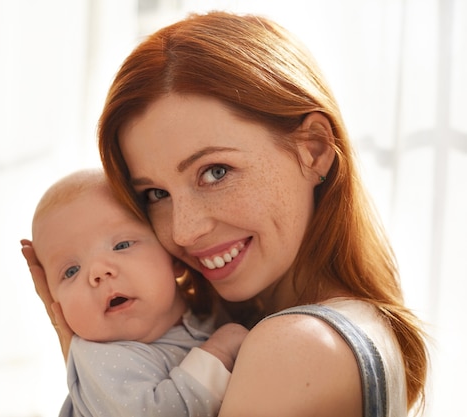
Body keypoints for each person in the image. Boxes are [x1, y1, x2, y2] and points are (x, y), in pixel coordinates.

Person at [23, 10, 429, 417]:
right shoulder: (353, 322)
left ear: (315, 149)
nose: (184, 231)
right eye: (156, 194)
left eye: (215, 172)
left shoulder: (293, 346)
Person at [27, 168, 248, 417]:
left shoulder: (208, 316)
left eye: (121, 245)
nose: (98, 272)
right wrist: (219, 352)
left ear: (172, 255)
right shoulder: (100, 356)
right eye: (71, 271)